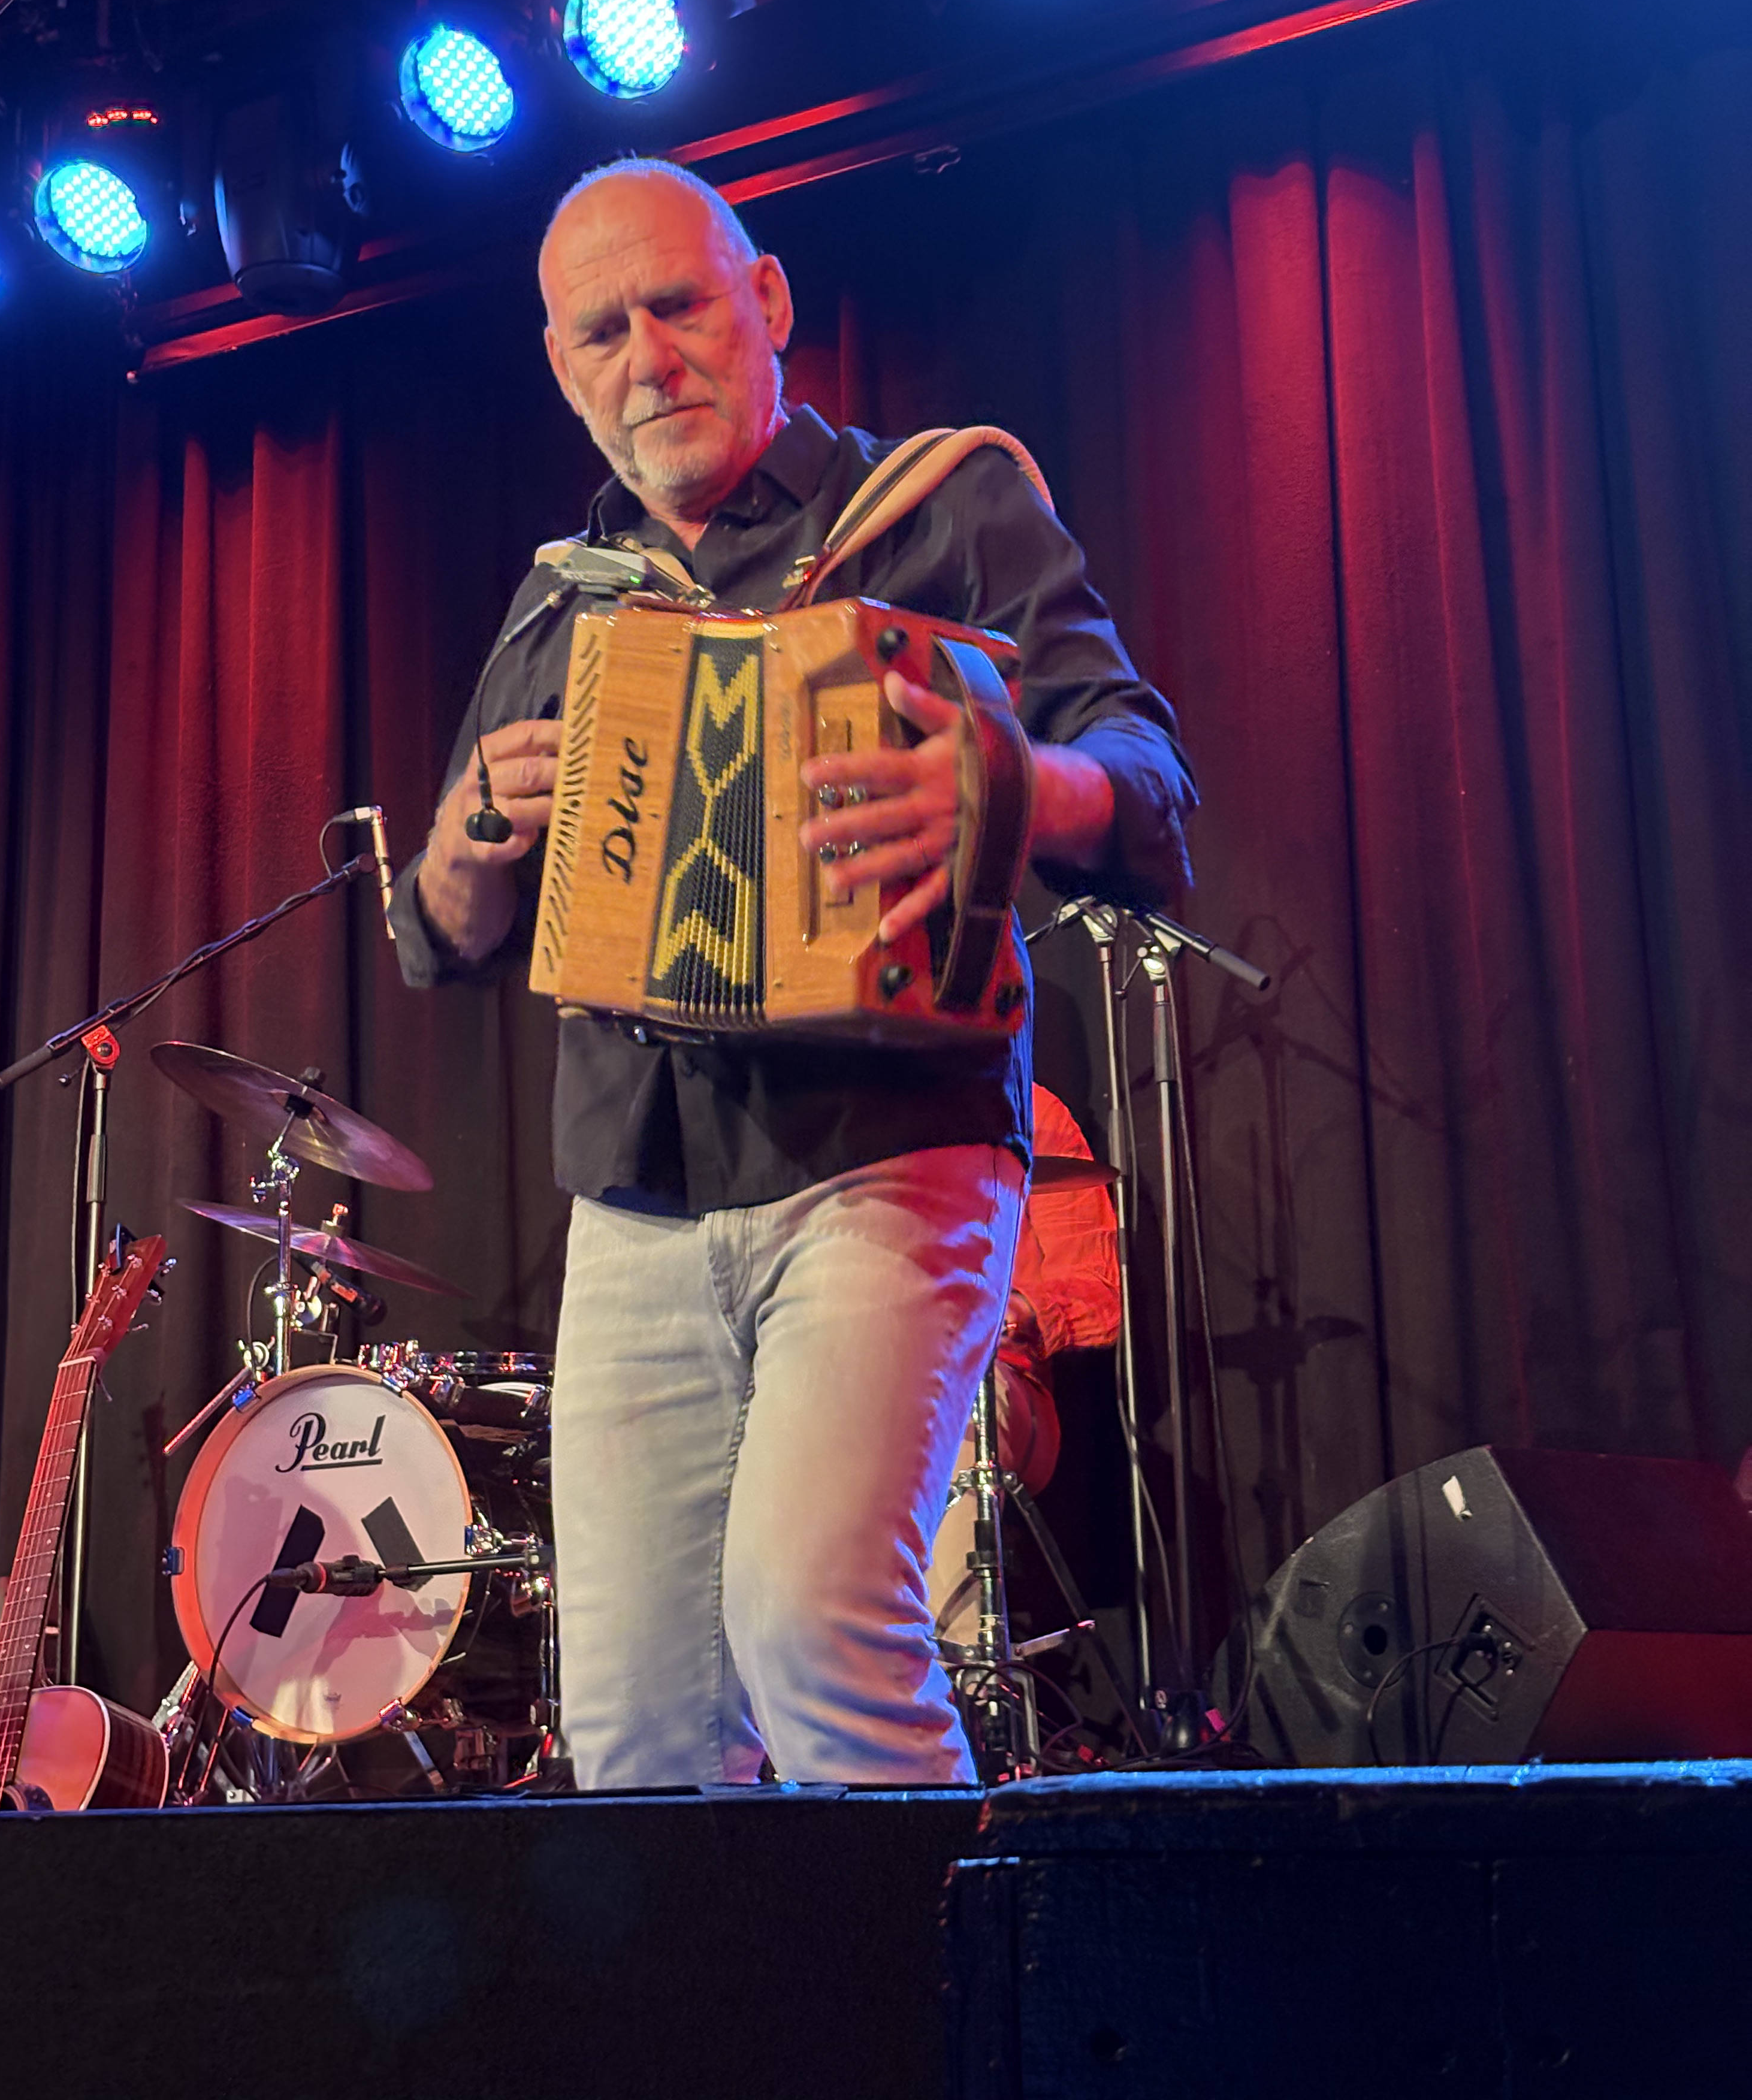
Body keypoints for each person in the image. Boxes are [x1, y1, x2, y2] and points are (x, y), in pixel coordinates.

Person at [389, 157, 1195, 1788]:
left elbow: (1147, 780)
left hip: (887, 1151)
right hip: (637, 1192)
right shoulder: (563, 599)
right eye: (601, 333)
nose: (647, 359)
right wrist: (474, 826)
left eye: (677, 306)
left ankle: (945, 1957)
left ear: (764, 301)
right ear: (562, 368)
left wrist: (1010, 785)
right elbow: (436, 932)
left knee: (814, 1623)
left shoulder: (940, 506)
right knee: (634, 1734)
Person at [926, 1081, 1121, 1648]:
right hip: (872, 1381)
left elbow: (1100, 1295)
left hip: (1002, 1384)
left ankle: (966, 1680)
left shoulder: (1029, 1109)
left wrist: (1021, 1310)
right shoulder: (845, 1108)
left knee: (943, 1412)